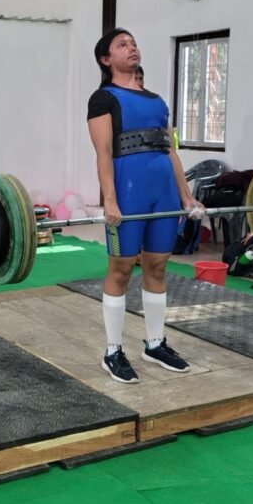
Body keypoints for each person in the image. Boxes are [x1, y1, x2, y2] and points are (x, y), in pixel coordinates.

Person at [87, 28, 204, 383]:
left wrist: (186, 196)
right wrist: (109, 199)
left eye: (134, 43)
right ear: (106, 59)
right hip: (128, 192)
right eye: (122, 44)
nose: (131, 47)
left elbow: (171, 152)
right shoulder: (103, 99)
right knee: (121, 270)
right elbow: (103, 154)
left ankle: (155, 344)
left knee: (157, 266)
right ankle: (112, 351)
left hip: (163, 193)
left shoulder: (157, 101)